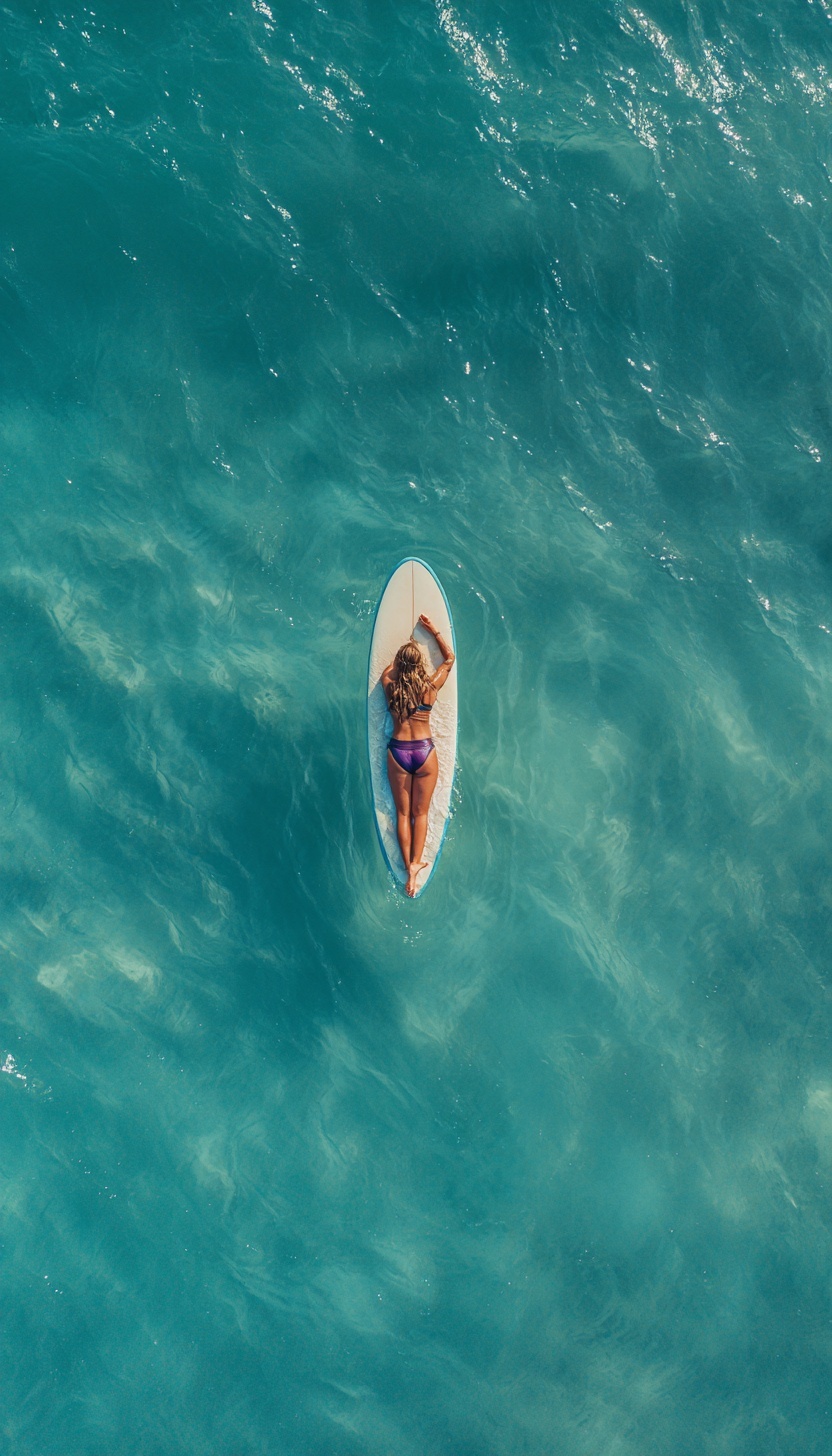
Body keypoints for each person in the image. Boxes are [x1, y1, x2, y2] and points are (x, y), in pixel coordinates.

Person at [382, 613, 455, 897]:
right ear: (420, 666)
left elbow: (388, 670)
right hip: (424, 753)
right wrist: (433, 631)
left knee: (402, 813)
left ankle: (407, 869)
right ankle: (415, 863)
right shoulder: (430, 688)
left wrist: (402, 660)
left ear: (401, 665)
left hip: (398, 752)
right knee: (419, 813)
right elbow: (449, 660)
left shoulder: (391, 685)